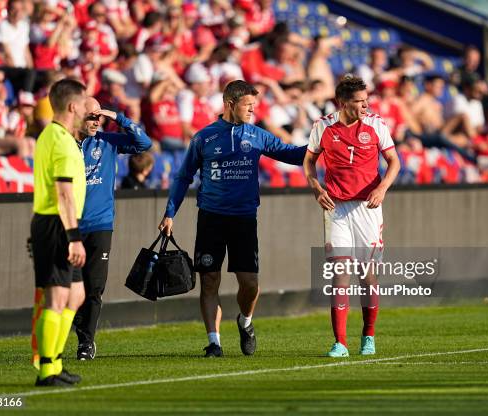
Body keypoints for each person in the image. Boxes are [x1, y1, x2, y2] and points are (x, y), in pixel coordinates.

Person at [158, 80, 306, 358]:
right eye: (248, 105)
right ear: (230, 104)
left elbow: (293, 155)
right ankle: (214, 342)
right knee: (210, 280)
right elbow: (183, 177)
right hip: (211, 218)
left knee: (250, 284)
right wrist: (169, 212)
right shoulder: (204, 137)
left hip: (244, 219)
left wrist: (321, 145)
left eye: (254, 105)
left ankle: (245, 322)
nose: (253, 110)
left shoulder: (257, 135)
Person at [303, 76, 400, 358]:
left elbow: (394, 161)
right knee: (339, 276)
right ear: (342, 103)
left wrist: (382, 188)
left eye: (365, 100)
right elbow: (309, 160)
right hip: (337, 209)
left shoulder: (376, 124)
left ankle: (368, 336)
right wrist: (316, 188)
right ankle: (340, 343)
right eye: (359, 101)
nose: (365, 105)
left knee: (367, 277)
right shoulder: (322, 126)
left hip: (367, 209)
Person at [73, 97, 152, 360]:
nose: (95, 122)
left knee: (94, 287)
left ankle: (86, 342)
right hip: (70, 225)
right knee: (69, 288)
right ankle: (73, 328)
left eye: (99, 117)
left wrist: (117, 117)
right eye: (90, 116)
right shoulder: (65, 144)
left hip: (100, 225)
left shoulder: (107, 141)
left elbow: (144, 143)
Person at [30, 78, 87, 387]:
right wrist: (74, 236)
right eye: (84, 103)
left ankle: (56, 361)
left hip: (54, 221)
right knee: (57, 296)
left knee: (76, 295)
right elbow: (63, 193)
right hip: (57, 223)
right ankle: (47, 369)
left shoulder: (51, 135)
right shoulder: (62, 141)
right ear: (72, 105)